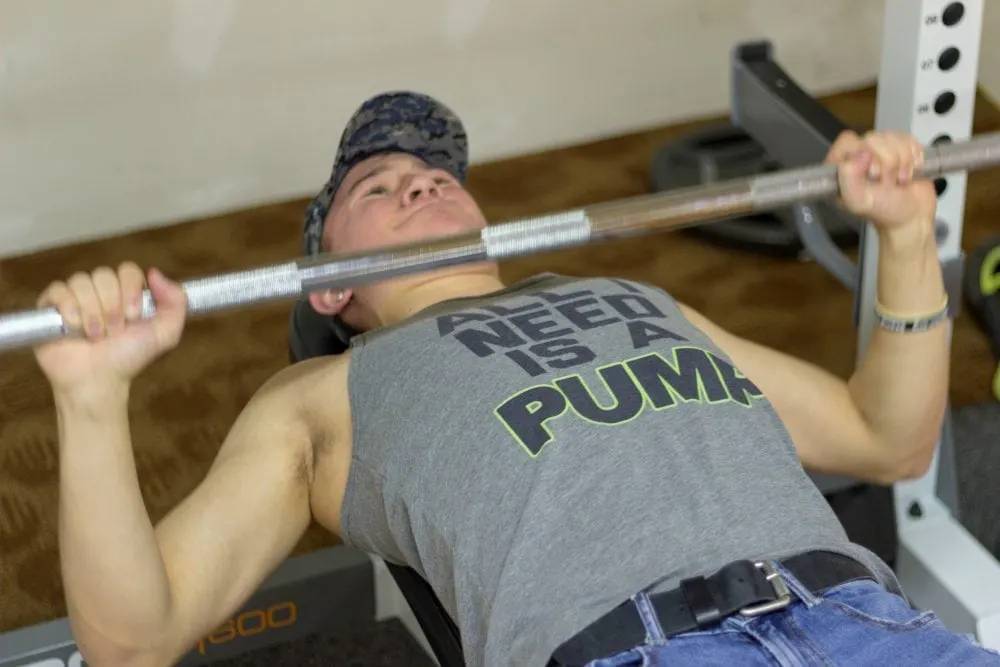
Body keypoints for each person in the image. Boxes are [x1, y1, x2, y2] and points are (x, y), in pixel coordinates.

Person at [33, 90, 1000, 667]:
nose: (418, 177)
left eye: (436, 172)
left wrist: (906, 231)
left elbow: (889, 436)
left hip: (872, 624)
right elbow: (135, 638)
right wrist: (90, 397)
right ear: (328, 291)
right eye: (376, 188)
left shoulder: (637, 297)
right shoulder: (320, 399)